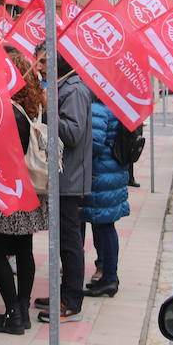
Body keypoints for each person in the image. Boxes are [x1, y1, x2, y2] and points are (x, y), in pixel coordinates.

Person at [0, 50, 50, 334]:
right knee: (23, 250)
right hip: (28, 190)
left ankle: (12, 314)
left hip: (6, 190)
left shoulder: (6, 111)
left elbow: (0, 153)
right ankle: (21, 308)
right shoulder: (33, 107)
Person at [37, 54, 93, 323]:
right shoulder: (62, 87)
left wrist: (49, 109)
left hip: (69, 179)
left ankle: (71, 301)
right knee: (62, 240)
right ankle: (63, 293)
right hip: (60, 176)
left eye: (42, 62)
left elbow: (72, 134)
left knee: (70, 242)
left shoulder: (75, 90)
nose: (39, 67)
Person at [82, 99, 131, 298]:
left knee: (104, 227)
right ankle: (108, 276)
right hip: (111, 171)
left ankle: (110, 278)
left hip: (101, 173)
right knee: (105, 226)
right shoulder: (116, 103)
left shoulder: (98, 107)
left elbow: (93, 143)